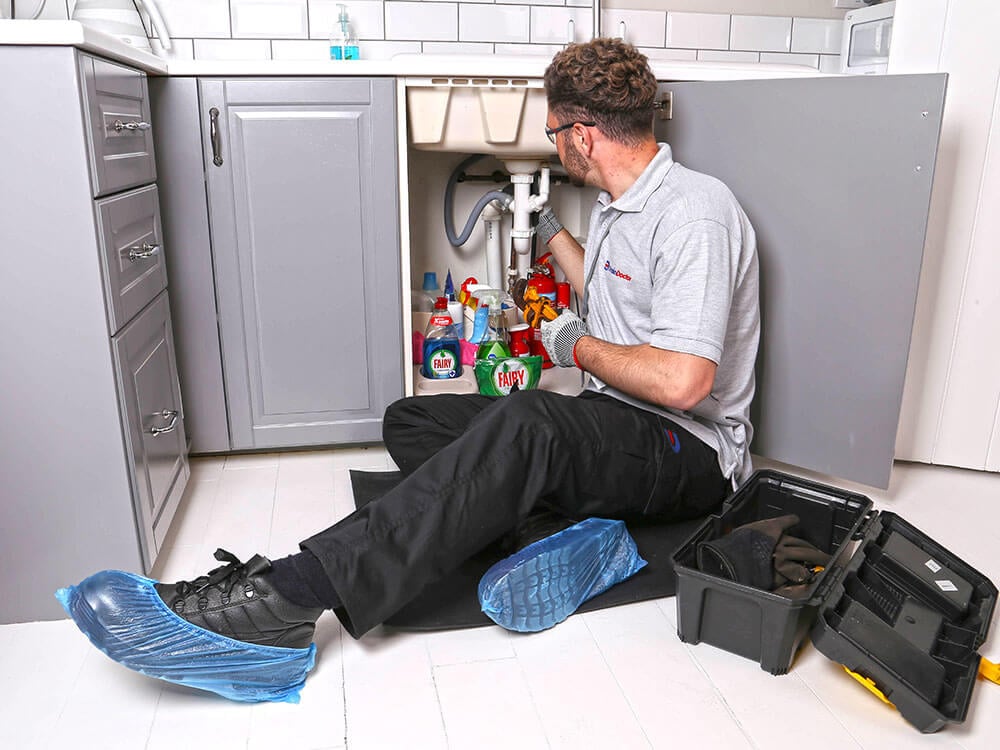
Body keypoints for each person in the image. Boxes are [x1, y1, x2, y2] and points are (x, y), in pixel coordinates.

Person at [69, 38, 759, 682]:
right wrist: (552, 239)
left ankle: (286, 599)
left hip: (689, 451)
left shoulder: (695, 213)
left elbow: (682, 380)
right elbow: (621, 291)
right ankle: (558, 533)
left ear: (581, 134)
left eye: (554, 133)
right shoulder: (622, 205)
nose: (553, 144)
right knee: (412, 421)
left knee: (526, 426)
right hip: (616, 422)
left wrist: (569, 344)